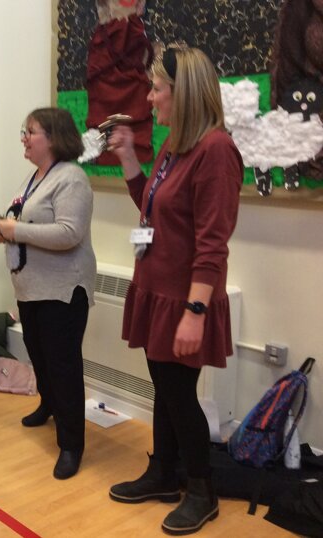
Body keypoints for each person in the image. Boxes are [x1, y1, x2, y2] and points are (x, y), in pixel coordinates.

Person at [106, 45, 243, 535]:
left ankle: (202, 490)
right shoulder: (175, 145)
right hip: (157, 290)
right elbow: (151, 206)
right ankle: (164, 472)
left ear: (183, 93)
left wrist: (195, 311)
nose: (150, 97)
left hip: (185, 299)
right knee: (165, 390)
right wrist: (128, 157)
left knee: (179, 395)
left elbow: (213, 244)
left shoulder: (216, 150)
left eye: (157, 88)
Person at [0, 107, 96, 480]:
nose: (23, 138)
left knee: (63, 366)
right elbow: (22, 219)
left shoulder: (72, 178)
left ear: (52, 137)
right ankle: (49, 406)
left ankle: (72, 444)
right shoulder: (34, 177)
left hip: (61, 290)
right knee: (40, 356)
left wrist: (14, 230)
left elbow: (69, 233)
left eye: (30, 131)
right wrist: (3, 229)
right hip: (31, 288)